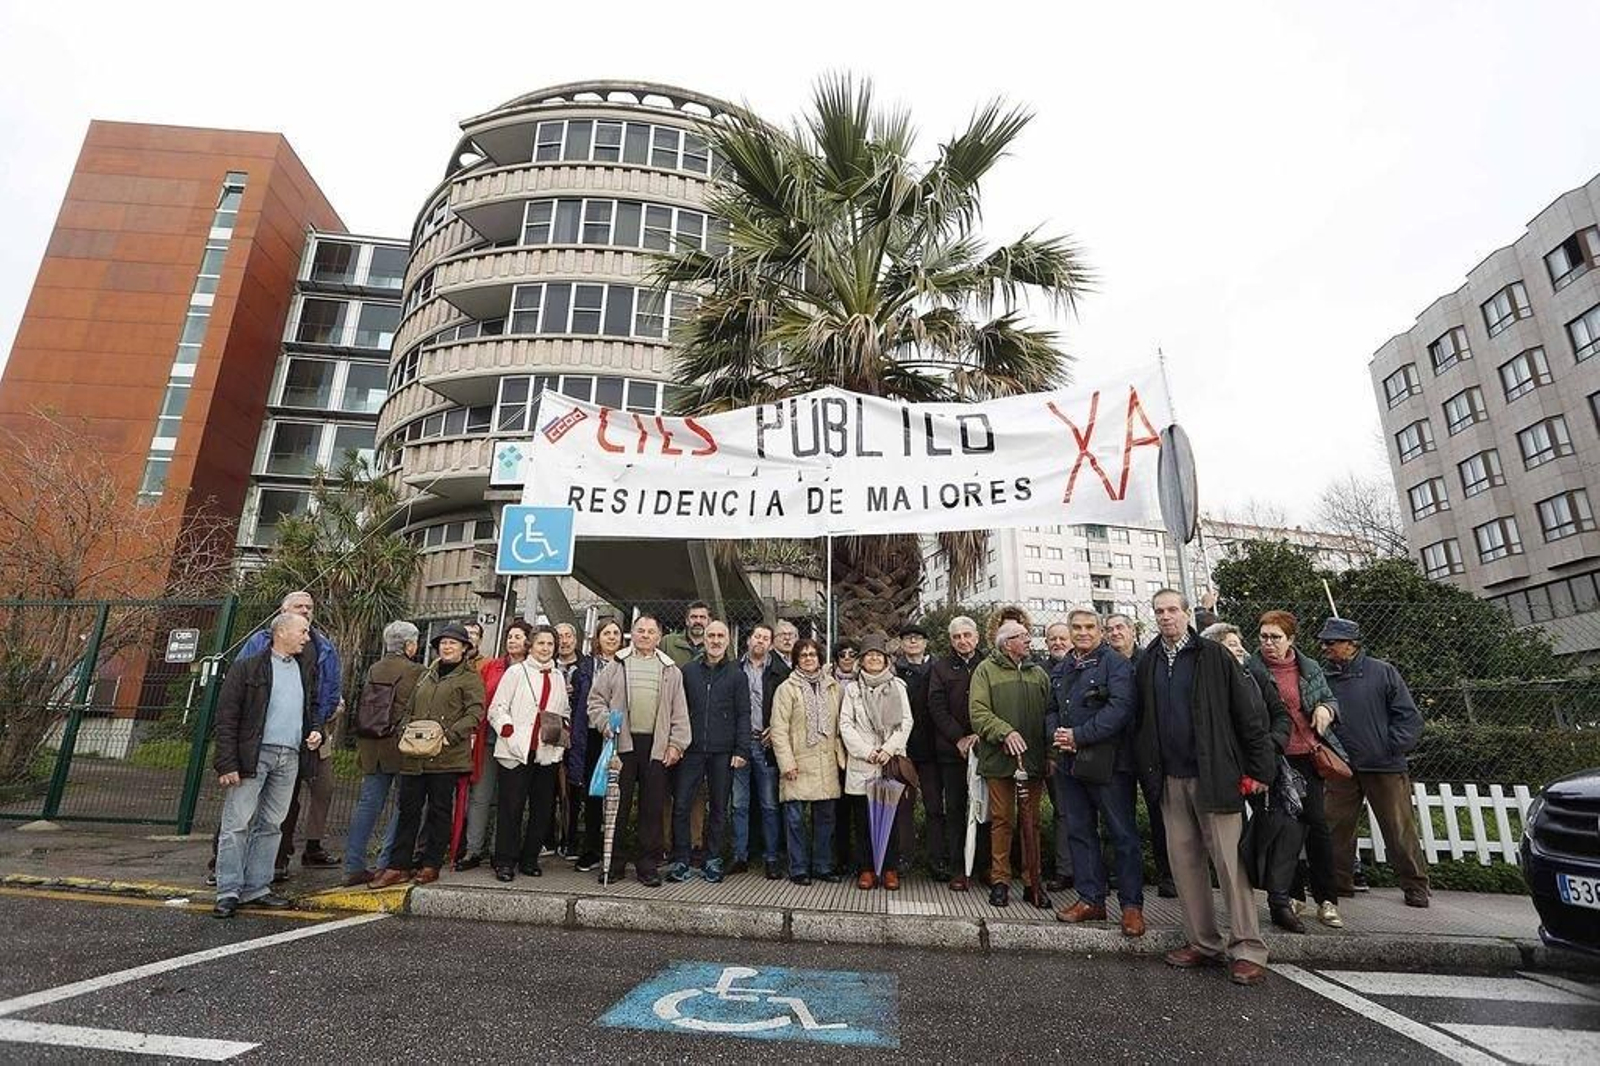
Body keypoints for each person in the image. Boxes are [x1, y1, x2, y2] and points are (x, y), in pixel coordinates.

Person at [1134, 590, 1274, 986]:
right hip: (1170, 779)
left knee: (1229, 865)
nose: (1166, 617)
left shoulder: (1214, 657)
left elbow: (1247, 714)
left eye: (1172, 610)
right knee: (1185, 865)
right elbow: (1144, 720)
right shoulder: (1148, 662)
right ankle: (1203, 942)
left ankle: (1247, 947)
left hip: (1215, 777)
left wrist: (1260, 768)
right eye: (1159, 611)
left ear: (1186, 614)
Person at [212, 613, 323, 918]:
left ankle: (257, 888)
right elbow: (226, 717)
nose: (307, 637)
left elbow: (310, 706)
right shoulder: (247, 668)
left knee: (272, 825)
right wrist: (227, 763)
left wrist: (315, 729)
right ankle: (229, 890)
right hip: (253, 755)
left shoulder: (304, 670)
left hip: (289, 756)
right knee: (237, 823)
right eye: (302, 631)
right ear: (282, 632)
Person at [1319, 617, 1431, 908]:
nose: (1325, 646)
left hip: (1384, 765)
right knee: (1335, 827)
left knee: (1398, 828)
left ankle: (1415, 885)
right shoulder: (1323, 677)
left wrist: (1392, 747)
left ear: (1351, 644)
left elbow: (1409, 716)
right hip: (1341, 766)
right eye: (1324, 641)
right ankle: (1338, 883)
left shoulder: (1383, 672)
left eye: (1331, 642)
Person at [1048, 610, 1144, 936]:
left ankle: (1131, 906)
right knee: (1079, 831)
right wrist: (1059, 734)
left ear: (1100, 631)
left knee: (1122, 834)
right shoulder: (1061, 667)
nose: (1083, 632)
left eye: (1090, 627)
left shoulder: (1115, 664)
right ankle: (1091, 900)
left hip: (1110, 764)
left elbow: (1121, 708)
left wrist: (1080, 735)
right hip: (1070, 763)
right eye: (1077, 627)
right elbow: (1051, 708)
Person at [370, 623, 486, 888]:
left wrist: (450, 735)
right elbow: (410, 707)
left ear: (465, 649)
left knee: (439, 812)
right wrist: (404, 730)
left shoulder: (469, 678)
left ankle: (431, 863)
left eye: (453, 643)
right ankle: (398, 865)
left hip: (445, 757)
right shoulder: (426, 675)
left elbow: (475, 713)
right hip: (414, 755)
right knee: (408, 809)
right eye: (443, 643)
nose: (447, 647)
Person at [236, 591, 340, 877]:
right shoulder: (259, 644)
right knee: (242, 808)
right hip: (257, 737)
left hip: (298, 738)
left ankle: (274, 864)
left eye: (309, 607)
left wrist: (317, 725)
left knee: (283, 807)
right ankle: (224, 870)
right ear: (282, 613)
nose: (305, 610)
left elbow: (327, 691)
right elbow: (237, 688)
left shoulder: (323, 648)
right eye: (299, 606)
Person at [1251, 610, 1343, 931]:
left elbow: (1330, 698)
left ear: (1291, 639)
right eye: (1263, 637)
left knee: (1316, 825)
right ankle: (1292, 895)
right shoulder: (1252, 669)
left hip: (1307, 755)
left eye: (1276, 637)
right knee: (1283, 830)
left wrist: (1325, 708)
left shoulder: (1309, 667)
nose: (1269, 644)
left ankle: (1327, 899)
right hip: (1275, 759)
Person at [587, 615, 691, 887]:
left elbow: (680, 713)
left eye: (651, 631)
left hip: (656, 746)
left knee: (652, 808)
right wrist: (605, 723)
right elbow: (595, 701)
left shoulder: (671, 670)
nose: (645, 635)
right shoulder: (616, 665)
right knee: (616, 806)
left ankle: (647, 866)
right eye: (640, 630)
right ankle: (614, 863)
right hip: (622, 744)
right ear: (633, 634)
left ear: (659, 637)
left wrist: (676, 744)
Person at [969, 620, 1052, 909]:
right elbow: (978, 712)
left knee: (1032, 822)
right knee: (1002, 821)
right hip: (999, 761)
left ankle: (1033, 882)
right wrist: (1005, 732)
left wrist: (1050, 754)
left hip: (1033, 760)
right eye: (1022, 637)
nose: (1029, 640)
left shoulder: (1039, 673)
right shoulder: (985, 671)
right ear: (1006, 644)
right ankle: (1000, 881)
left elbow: (1050, 715)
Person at [343, 620, 424, 886]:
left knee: (368, 805)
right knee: (404, 806)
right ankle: (386, 861)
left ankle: (353, 864)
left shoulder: (375, 667)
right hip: (400, 746)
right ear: (409, 645)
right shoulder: (416, 671)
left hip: (371, 744)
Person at [488, 625, 570, 881]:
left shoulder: (557, 676)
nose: (546, 649)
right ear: (531, 646)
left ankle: (529, 858)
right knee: (511, 808)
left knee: (542, 809)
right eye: (541, 643)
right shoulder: (516, 672)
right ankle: (504, 861)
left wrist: (563, 728)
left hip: (546, 753)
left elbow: (563, 710)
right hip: (517, 751)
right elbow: (497, 708)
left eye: (550, 644)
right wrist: (509, 731)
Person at [671, 621, 750, 883]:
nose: (715, 640)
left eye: (721, 636)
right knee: (681, 804)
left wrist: (741, 749)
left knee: (719, 808)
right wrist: (676, 742)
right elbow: (677, 710)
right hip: (691, 750)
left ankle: (712, 858)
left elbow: (743, 714)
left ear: (728, 640)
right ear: (703, 639)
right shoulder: (688, 671)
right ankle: (681, 859)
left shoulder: (737, 674)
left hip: (723, 752)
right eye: (711, 636)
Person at [1104, 612, 1175, 898]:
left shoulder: (1150, 660)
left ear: (1132, 630)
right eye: (1109, 629)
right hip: (1115, 750)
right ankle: (1117, 874)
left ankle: (1168, 875)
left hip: (1150, 750)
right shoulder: (1103, 663)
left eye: (1120, 627)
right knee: (1117, 817)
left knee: (1162, 815)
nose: (1114, 633)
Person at [837, 634, 912, 890]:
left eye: (878, 655)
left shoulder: (897, 686)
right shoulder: (853, 690)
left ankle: (889, 868)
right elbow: (845, 724)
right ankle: (867, 868)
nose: (874, 659)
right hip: (863, 762)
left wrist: (889, 749)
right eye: (869, 655)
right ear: (862, 660)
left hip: (888, 761)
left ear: (886, 660)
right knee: (863, 820)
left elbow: (906, 722)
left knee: (890, 819)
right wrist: (867, 751)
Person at [455, 622, 528, 871]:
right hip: (488, 739)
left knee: (510, 799)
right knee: (481, 796)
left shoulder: (532, 670)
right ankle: (473, 850)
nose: (513, 641)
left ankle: (502, 851)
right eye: (510, 636)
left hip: (517, 744)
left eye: (518, 637)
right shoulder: (491, 667)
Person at [770, 639, 843, 886]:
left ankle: (823, 866)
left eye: (813, 654)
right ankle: (799, 868)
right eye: (803, 655)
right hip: (798, 761)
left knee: (826, 819)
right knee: (795, 819)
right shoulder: (786, 689)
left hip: (826, 761)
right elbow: (778, 730)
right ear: (796, 660)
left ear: (820, 658)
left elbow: (840, 724)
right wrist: (786, 762)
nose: (809, 659)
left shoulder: (833, 687)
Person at [927, 615, 989, 891]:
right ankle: (958, 869)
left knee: (984, 809)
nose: (962, 641)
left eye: (967, 635)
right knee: (954, 809)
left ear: (976, 637)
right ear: (950, 640)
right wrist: (959, 738)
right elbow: (936, 707)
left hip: (986, 748)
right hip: (952, 751)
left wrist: (979, 735)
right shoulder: (940, 668)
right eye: (956, 637)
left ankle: (985, 867)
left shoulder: (989, 664)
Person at [733, 622, 790, 879]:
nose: (760, 641)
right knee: (739, 804)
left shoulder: (781, 672)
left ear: (771, 644)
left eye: (766, 638)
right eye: (757, 636)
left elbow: (789, 709)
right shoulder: (734, 669)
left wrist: (775, 729)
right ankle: (739, 856)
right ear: (749, 640)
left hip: (767, 744)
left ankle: (771, 858)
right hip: (740, 744)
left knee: (769, 804)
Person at [568, 617, 622, 873]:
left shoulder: (626, 664)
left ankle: (614, 848)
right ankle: (590, 848)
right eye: (607, 633)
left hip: (620, 736)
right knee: (593, 792)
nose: (612, 637)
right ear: (597, 638)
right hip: (591, 735)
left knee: (616, 793)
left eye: (616, 633)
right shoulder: (585, 667)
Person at [895, 623, 942, 880]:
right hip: (904, 749)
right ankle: (904, 857)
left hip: (933, 749)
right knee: (904, 808)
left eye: (917, 638)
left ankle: (937, 859)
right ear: (901, 644)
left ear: (925, 642)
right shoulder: (894, 671)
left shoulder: (938, 668)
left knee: (935, 806)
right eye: (907, 638)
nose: (913, 642)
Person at [1041, 620, 1076, 893]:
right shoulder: (1041, 673)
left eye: (1063, 638)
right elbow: (1043, 716)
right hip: (1057, 756)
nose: (1058, 643)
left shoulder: (1089, 666)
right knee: (1063, 812)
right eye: (1052, 639)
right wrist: (1050, 753)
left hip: (1090, 752)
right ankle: (1065, 871)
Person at [661, 601, 710, 666]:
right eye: (694, 617)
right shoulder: (668, 642)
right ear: (687, 621)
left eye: (702, 617)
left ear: (708, 621)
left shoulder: (714, 645)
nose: (698, 621)